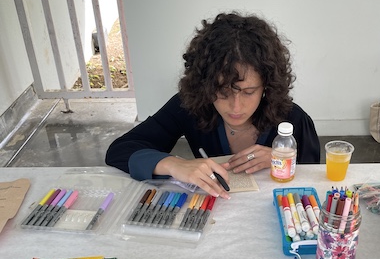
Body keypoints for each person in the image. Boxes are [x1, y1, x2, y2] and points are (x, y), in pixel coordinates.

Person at [105, 12, 320, 199]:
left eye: (248, 92)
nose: (236, 107)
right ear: (205, 85)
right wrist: (173, 164)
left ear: (267, 86)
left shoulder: (294, 120)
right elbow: (120, 151)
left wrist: (282, 160)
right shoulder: (190, 105)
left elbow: (315, 181)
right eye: (222, 92)